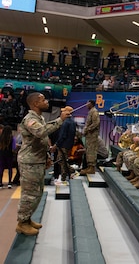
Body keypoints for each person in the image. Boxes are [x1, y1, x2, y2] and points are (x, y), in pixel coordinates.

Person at [16, 92, 70, 236]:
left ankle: (27, 219)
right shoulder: (29, 119)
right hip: (30, 162)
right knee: (29, 194)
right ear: (35, 104)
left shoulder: (39, 117)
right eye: (43, 100)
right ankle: (22, 223)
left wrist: (46, 156)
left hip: (37, 160)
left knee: (37, 192)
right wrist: (60, 120)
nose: (46, 102)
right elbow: (41, 132)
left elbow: (42, 141)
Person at [52, 106, 76, 183]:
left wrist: (56, 144)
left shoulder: (65, 122)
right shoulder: (73, 122)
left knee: (62, 161)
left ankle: (64, 177)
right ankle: (68, 173)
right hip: (69, 144)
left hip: (63, 145)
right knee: (62, 160)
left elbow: (62, 135)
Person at [80, 100, 100, 175]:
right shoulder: (91, 111)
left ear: (91, 104)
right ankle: (89, 166)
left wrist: (88, 129)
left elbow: (96, 123)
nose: (86, 105)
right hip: (89, 136)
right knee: (88, 150)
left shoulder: (94, 112)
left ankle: (92, 167)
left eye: (87, 103)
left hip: (92, 135)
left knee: (91, 150)